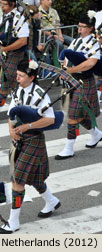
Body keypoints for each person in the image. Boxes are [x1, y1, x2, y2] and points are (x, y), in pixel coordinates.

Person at [0, 59, 61, 234]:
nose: (17, 78)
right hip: (20, 140)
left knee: (17, 180)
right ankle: (52, 201)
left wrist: (29, 126)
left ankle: (13, 221)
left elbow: (51, 119)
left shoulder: (41, 94)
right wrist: (11, 130)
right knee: (33, 178)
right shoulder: (18, 91)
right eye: (17, 74)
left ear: (31, 77)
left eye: (21, 75)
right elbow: (12, 113)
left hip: (33, 140)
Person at [55, 13, 102, 160]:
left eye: (82, 27)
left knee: (73, 117)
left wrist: (71, 70)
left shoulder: (95, 43)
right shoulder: (76, 41)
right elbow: (68, 58)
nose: (79, 30)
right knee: (78, 115)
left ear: (90, 28)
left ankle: (69, 148)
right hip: (72, 81)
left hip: (84, 82)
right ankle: (96, 134)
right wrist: (64, 69)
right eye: (78, 27)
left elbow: (90, 63)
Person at [0, 0, 29, 125]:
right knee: (9, 83)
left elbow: (22, 41)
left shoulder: (19, 19)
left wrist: (5, 49)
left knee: (7, 82)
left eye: (5, 4)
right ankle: (14, 109)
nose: (2, 6)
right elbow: (1, 35)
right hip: (6, 54)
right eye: (2, 4)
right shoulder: (5, 17)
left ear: (12, 5)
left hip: (16, 55)